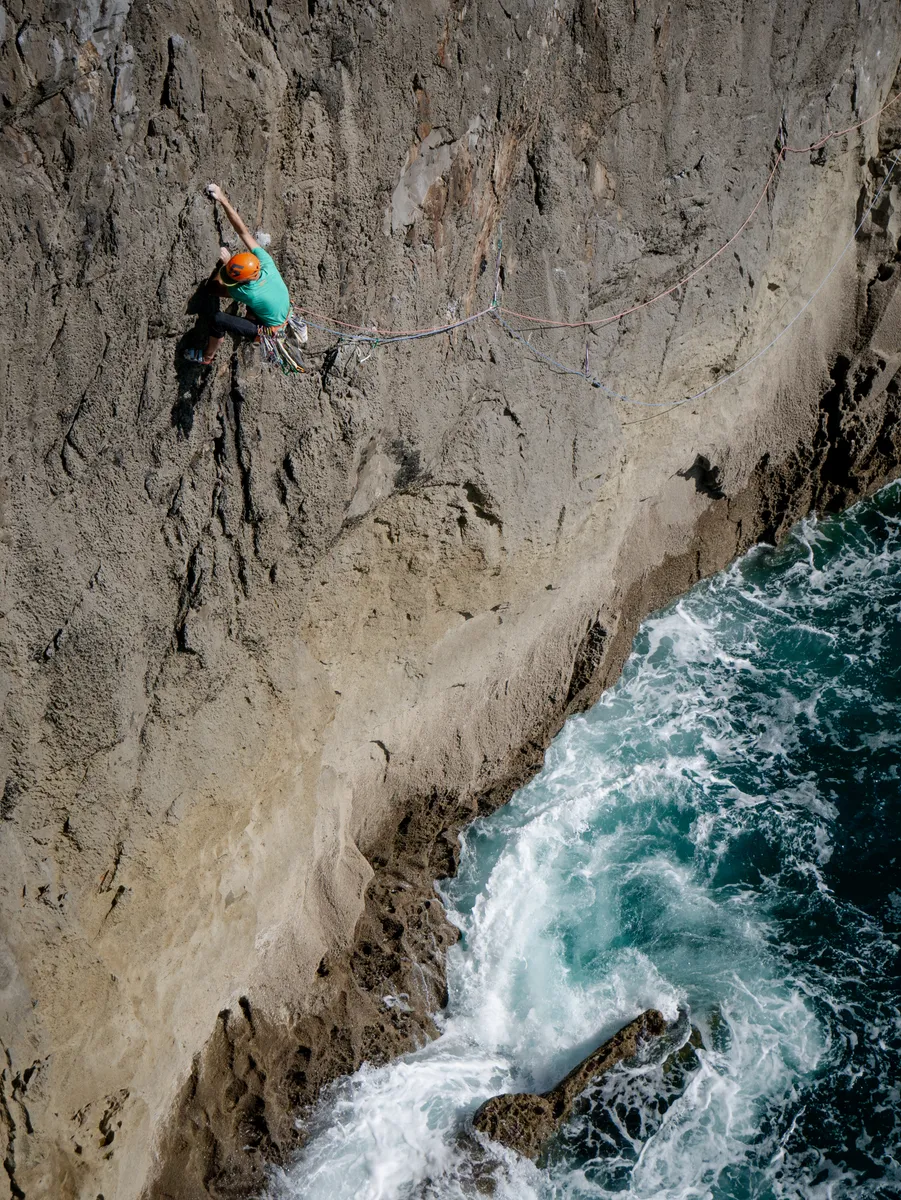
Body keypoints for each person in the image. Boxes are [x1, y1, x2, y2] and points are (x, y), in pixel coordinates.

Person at [185, 183, 297, 365]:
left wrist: (224, 267)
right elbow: (242, 231)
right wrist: (222, 199)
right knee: (254, 305)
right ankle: (252, 316)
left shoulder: (250, 292)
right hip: (280, 312)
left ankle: (206, 357)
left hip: (271, 331)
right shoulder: (265, 261)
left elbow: (213, 289)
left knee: (218, 319)